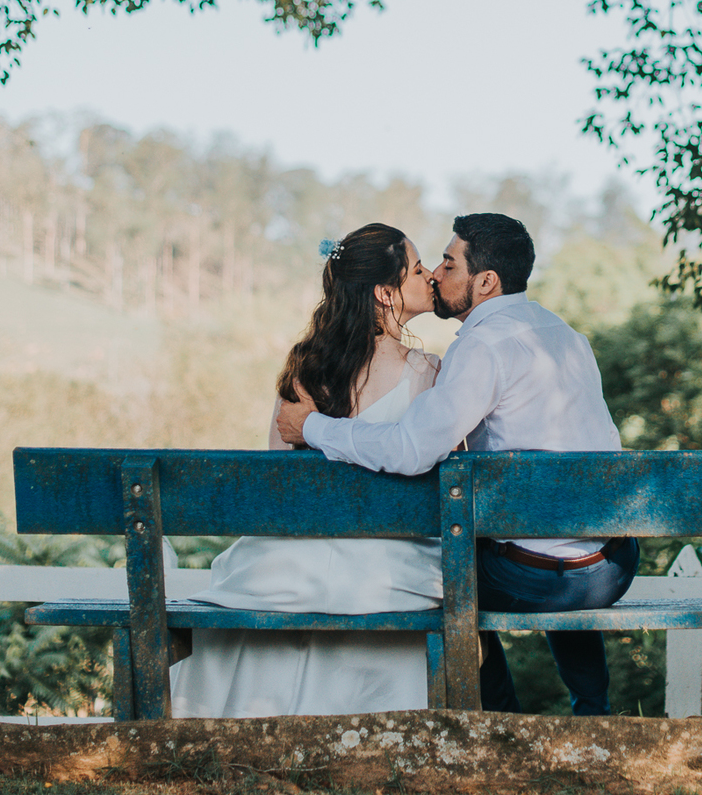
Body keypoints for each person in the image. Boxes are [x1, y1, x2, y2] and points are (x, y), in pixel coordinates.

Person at [277, 212, 638, 716]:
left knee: (440, 574)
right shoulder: (565, 336)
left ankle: (502, 720)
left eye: (448, 263)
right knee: (560, 532)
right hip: (611, 567)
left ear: (485, 282)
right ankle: (593, 709)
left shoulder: (482, 348)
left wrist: (313, 428)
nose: (437, 275)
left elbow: (412, 449)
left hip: (537, 577)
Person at [169, 224, 442, 718]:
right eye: (418, 269)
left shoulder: (305, 367)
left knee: (274, 569)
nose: (430, 278)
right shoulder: (426, 373)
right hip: (387, 568)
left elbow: (278, 480)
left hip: (289, 565)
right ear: (385, 293)